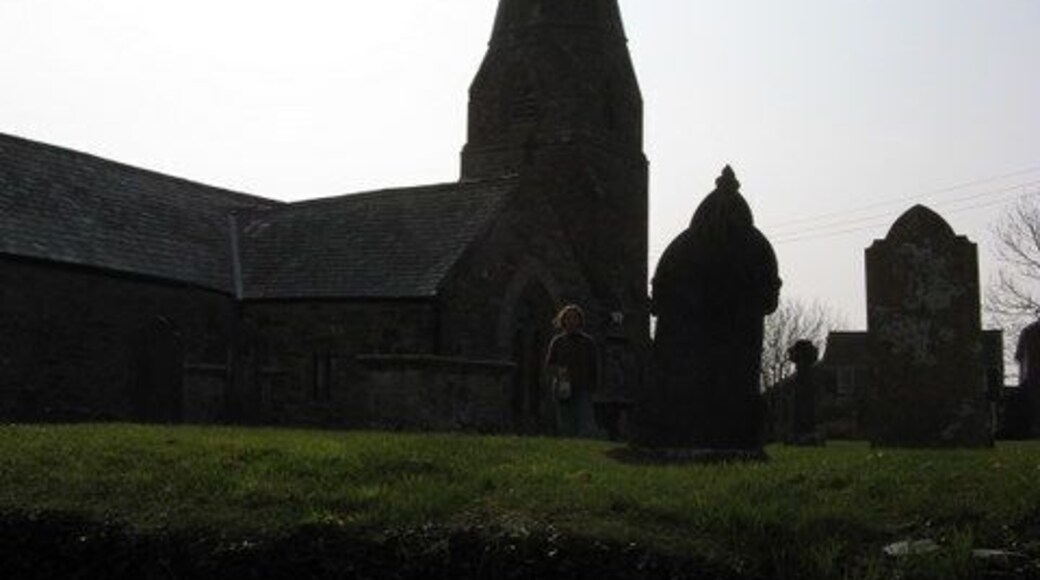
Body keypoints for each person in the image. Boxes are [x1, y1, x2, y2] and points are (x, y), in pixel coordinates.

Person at [544, 304, 599, 437]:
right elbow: (550, 365)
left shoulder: (588, 342)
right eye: (568, 318)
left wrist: (594, 387)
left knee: (586, 425)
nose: (571, 321)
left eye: (575, 318)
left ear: (580, 321)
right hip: (563, 388)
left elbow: (594, 367)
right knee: (566, 425)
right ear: (563, 321)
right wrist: (560, 373)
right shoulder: (557, 342)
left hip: (583, 388)